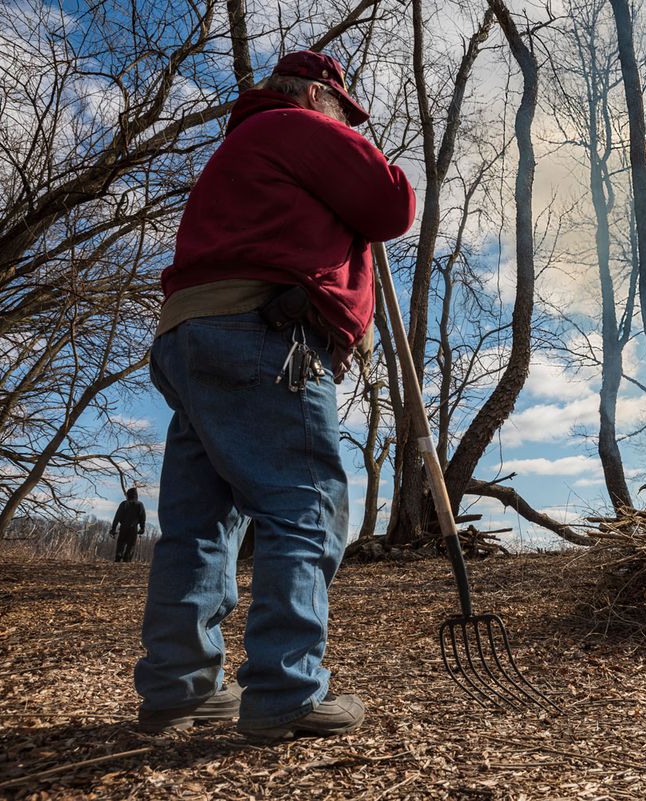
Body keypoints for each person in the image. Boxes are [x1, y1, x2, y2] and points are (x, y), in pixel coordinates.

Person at [134, 51, 416, 738]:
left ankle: (179, 687)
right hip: (266, 332)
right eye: (346, 114)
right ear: (320, 95)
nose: (349, 126)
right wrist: (357, 145)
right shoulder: (296, 126)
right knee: (305, 504)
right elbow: (393, 203)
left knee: (200, 521)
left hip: (192, 336)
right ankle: (286, 690)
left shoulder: (241, 145)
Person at [110, 488, 146, 562]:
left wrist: (113, 528)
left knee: (121, 542)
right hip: (133, 528)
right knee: (131, 544)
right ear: (136, 495)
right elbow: (143, 517)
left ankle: (118, 556)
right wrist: (142, 528)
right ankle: (127, 559)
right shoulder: (139, 504)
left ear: (128, 495)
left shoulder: (124, 504)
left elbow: (117, 517)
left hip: (123, 527)